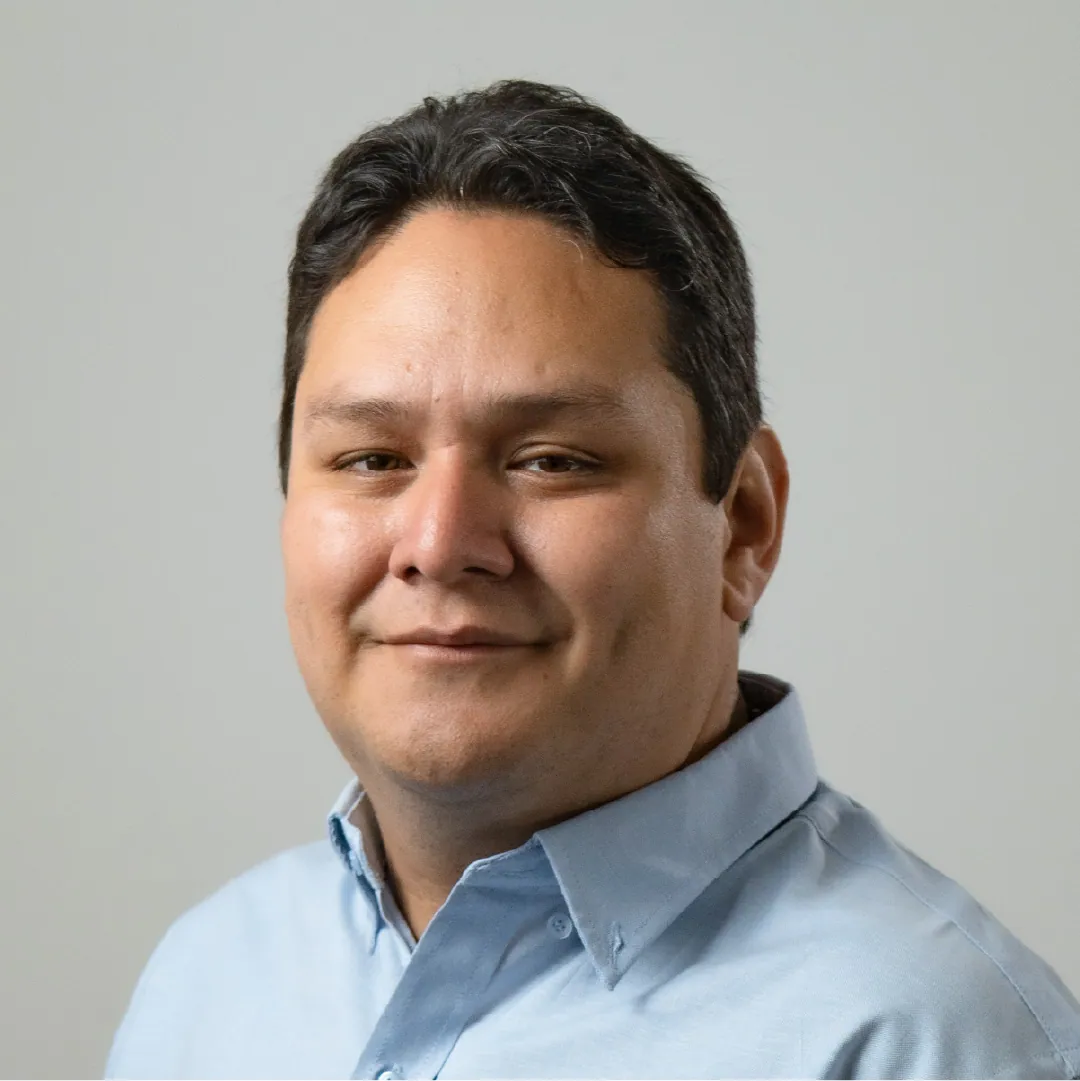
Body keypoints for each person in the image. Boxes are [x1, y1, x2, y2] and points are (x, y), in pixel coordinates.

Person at [106, 79, 1080, 1080]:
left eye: (551, 460)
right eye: (372, 459)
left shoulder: (929, 1042)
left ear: (745, 524)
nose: (439, 543)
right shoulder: (206, 982)